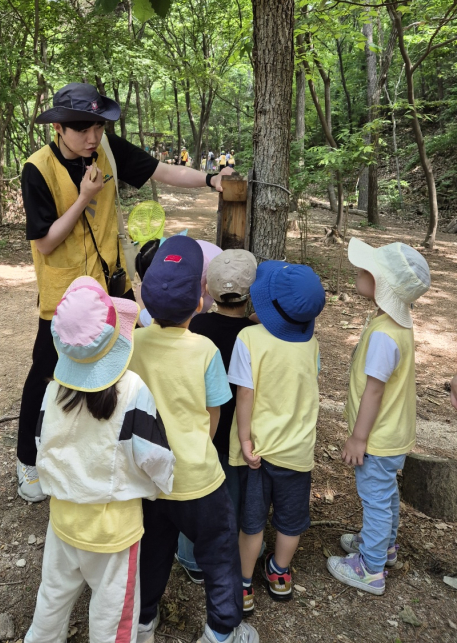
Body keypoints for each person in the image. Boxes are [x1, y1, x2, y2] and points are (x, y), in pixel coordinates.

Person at [17, 83, 233, 501]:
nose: (93, 138)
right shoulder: (38, 169)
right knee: (46, 370)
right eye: (83, 130)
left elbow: (160, 171)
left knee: (118, 360)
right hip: (64, 293)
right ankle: (28, 458)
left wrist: (210, 179)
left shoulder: (107, 151)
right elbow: (44, 242)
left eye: (99, 127)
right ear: (59, 128)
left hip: (112, 281)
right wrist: (83, 199)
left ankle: (101, 440)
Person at [24, 277, 175, 643]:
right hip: (114, 530)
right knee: (113, 616)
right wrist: (162, 486)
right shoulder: (134, 390)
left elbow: (41, 441)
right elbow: (153, 455)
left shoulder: (52, 389)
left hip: (63, 518)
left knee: (53, 596)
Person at [130, 236, 259, 643]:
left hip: (147, 476)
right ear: (200, 300)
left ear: (145, 298)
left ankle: (142, 620)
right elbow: (214, 413)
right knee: (220, 554)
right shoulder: (204, 349)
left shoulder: (132, 343)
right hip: (197, 477)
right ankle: (221, 631)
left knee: (151, 551)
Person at [327, 239, 431, 596]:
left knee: (374, 498)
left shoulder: (385, 336)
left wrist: (358, 438)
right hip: (393, 433)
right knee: (385, 495)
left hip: (377, 438)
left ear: (382, 286)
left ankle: (370, 568)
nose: (359, 272)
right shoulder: (395, 325)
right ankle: (382, 548)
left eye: (366, 270)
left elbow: (374, 391)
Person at [229, 261, 325, 608]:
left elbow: (245, 394)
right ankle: (279, 572)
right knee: (290, 520)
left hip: (259, 451)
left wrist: (244, 440)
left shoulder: (248, 339)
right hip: (298, 451)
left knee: (252, 523)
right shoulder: (311, 343)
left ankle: (242, 584)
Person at [176, 250, 258, 585]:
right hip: (236, 434)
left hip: (199, 428)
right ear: (250, 294)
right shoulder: (253, 336)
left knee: (195, 494)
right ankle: (229, 554)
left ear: (207, 289)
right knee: (230, 498)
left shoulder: (196, 324)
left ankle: (189, 556)